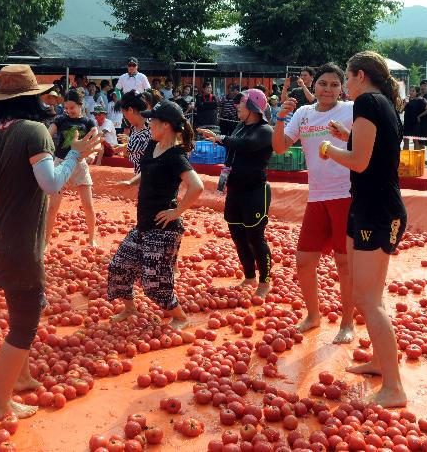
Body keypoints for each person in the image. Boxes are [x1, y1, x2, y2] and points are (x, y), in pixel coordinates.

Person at [0, 64, 101, 421]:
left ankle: (24, 376)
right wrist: (76, 154)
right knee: (24, 326)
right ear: (34, 99)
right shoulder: (35, 132)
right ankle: (2, 403)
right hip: (22, 244)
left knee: (23, 307)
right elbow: (51, 183)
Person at [320, 51, 407, 408]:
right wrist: (345, 135)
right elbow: (372, 151)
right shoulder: (380, 103)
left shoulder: (367, 103)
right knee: (365, 295)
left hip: (378, 211)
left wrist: (329, 148)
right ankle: (379, 362)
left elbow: (359, 161)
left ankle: (394, 387)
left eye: (346, 79)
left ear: (358, 76)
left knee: (370, 300)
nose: (343, 87)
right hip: (365, 206)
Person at [272, 63, 356, 343]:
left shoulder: (352, 110)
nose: (328, 90)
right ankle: (313, 315)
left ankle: (347, 323)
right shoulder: (304, 113)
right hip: (317, 196)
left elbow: (369, 142)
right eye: (323, 84)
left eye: (334, 84)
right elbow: (281, 147)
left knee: (345, 264)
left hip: (346, 195)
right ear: (313, 85)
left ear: (341, 88)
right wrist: (280, 118)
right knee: (305, 261)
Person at [109, 100, 204, 330]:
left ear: (166, 126)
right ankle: (129, 308)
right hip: (144, 224)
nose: (149, 123)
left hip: (163, 229)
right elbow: (147, 170)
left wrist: (177, 211)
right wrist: (131, 181)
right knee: (119, 266)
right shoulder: (154, 144)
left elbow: (197, 186)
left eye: (153, 120)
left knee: (154, 283)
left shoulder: (175, 156)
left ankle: (180, 317)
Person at [198, 89, 274, 298]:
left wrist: (220, 138)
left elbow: (246, 144)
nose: (237, 107)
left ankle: (264, 281)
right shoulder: (241, 126)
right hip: (236, 190)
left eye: (241, 104)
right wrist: (217, 137)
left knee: (255, 237)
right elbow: (234, 142)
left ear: (252, 108)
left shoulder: (265, 130)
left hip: (255, 192)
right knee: (239, 237)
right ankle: (249, 276)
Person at [45, 89, 98, 247]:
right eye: (66, 108)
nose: (69, 111)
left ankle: (91, 238)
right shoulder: (60, 119)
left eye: (72, 108)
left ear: (80, 105)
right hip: (61, 162)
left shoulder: (89, 122)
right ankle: (45, 241)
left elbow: (96, 140)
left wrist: (91, 155)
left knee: (88, 205)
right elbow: (47, 134)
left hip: (79, 164)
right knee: (53, 206)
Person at [117, 91, 152, 174]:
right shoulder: (134, 127)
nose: (124, 117)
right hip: (140, 176)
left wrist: (123, 147)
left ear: (130, 110)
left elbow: (149, 149)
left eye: (124, 113)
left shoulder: (152, 126)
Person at [401, 86, 427, 153]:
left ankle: (416, 158)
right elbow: (400, 111)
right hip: (406, 123)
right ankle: (406, 159)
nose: (411, 92)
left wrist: (419, 116)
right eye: (410, 91)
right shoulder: (406, 100)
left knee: (415, 141)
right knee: (406, 141)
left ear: (417, 92)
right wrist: (405, 103)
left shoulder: (419, 100)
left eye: (413, 91)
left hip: (415, 123)